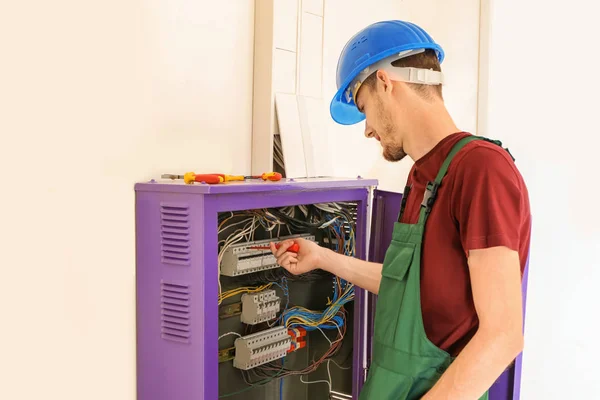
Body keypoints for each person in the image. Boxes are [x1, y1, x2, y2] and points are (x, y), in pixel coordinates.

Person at [270, 20, 531, 400]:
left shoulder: (480, 169)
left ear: (385, 83)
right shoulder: (422, 176)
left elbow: (504, 335)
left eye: (363, 108)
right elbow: (409, 288)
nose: (368, 130)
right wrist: (324, 257)